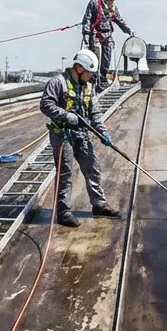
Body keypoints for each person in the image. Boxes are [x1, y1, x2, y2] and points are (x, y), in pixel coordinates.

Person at [39, 49, 122, 228]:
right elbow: (45, 105)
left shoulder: (88, 87)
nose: (91, 76)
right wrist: (66, 116)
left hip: (81, 134)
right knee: (66, 172)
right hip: (62, 135)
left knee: (92, 167)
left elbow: (95, 113)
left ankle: (99, 206)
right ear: (79, 69)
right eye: (89, 72)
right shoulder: (58, 83)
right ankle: (63, 212)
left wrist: (103, 133)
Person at [81, 0, 134, 94]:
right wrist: (86, 33)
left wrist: (128, 31)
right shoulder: (94, 4)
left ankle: (103, 80)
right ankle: (95, 81)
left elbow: (119, 21)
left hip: (107, 36)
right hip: (95, 36)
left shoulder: (113, 8)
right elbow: (87, 19)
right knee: (96, 60)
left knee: (106, 59)